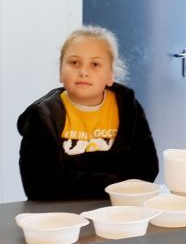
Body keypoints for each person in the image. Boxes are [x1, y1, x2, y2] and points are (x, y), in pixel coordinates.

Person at [17, 26, 157, 200]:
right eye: (74, 63)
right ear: (61, 72)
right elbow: (39, 185)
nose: (83, 72)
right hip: (58, 213)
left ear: (110, 75)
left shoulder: (129, 109)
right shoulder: (41, 116)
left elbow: (146, 171)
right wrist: (114, 174)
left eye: (95, 64)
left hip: (117, 210)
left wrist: (69, 171)